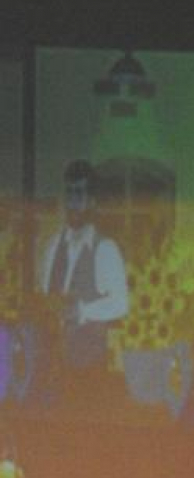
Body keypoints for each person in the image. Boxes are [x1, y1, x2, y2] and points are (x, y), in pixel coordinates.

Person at [38, 159, 128, 374]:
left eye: (80, 193)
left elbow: (121, 304)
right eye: (69, 193)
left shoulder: (105, 249)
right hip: (51, 369)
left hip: (89, 369)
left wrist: (82, 310)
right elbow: (45, 294)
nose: (73, 202)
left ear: (93, 201)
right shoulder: (52, 246)